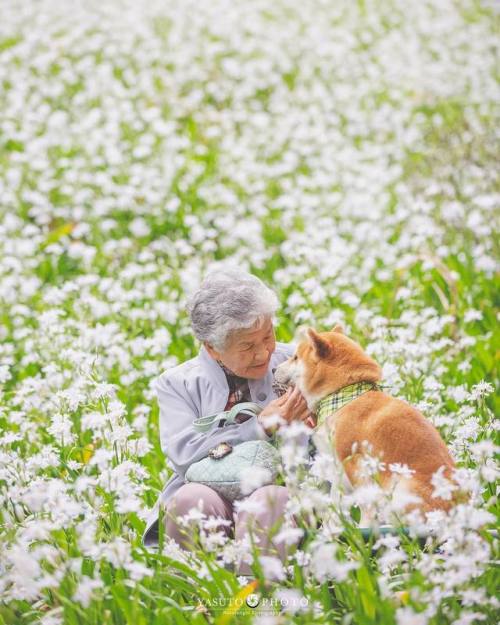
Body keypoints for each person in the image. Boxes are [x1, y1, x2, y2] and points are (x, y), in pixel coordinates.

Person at [142, 268, 313, 574]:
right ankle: (199, 604)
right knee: (191, 499)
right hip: (212, 492)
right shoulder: (177, 383)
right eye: (247, 346)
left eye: (268, 335)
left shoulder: (297, 361)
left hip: (281, 492)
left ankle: (258, 605)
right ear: (212, 347)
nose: (263, 352)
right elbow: (184, 454)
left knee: (268, 502)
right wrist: (260, 427)